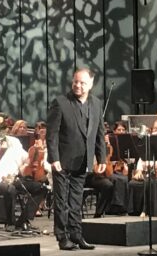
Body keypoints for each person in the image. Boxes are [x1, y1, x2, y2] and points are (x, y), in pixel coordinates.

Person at [46, 68, 106, 251]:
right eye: (75, 82)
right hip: (62, 160)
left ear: (91, 84)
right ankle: (62, 236)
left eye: (82, 83)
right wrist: (54, 157)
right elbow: (52, 133)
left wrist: (101, 157)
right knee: (62, 201)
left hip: (83, 160)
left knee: (76, 200)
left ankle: (76, 234)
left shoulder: (96, 103)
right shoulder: (60, 102)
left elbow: (99, 133)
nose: (78, 85)